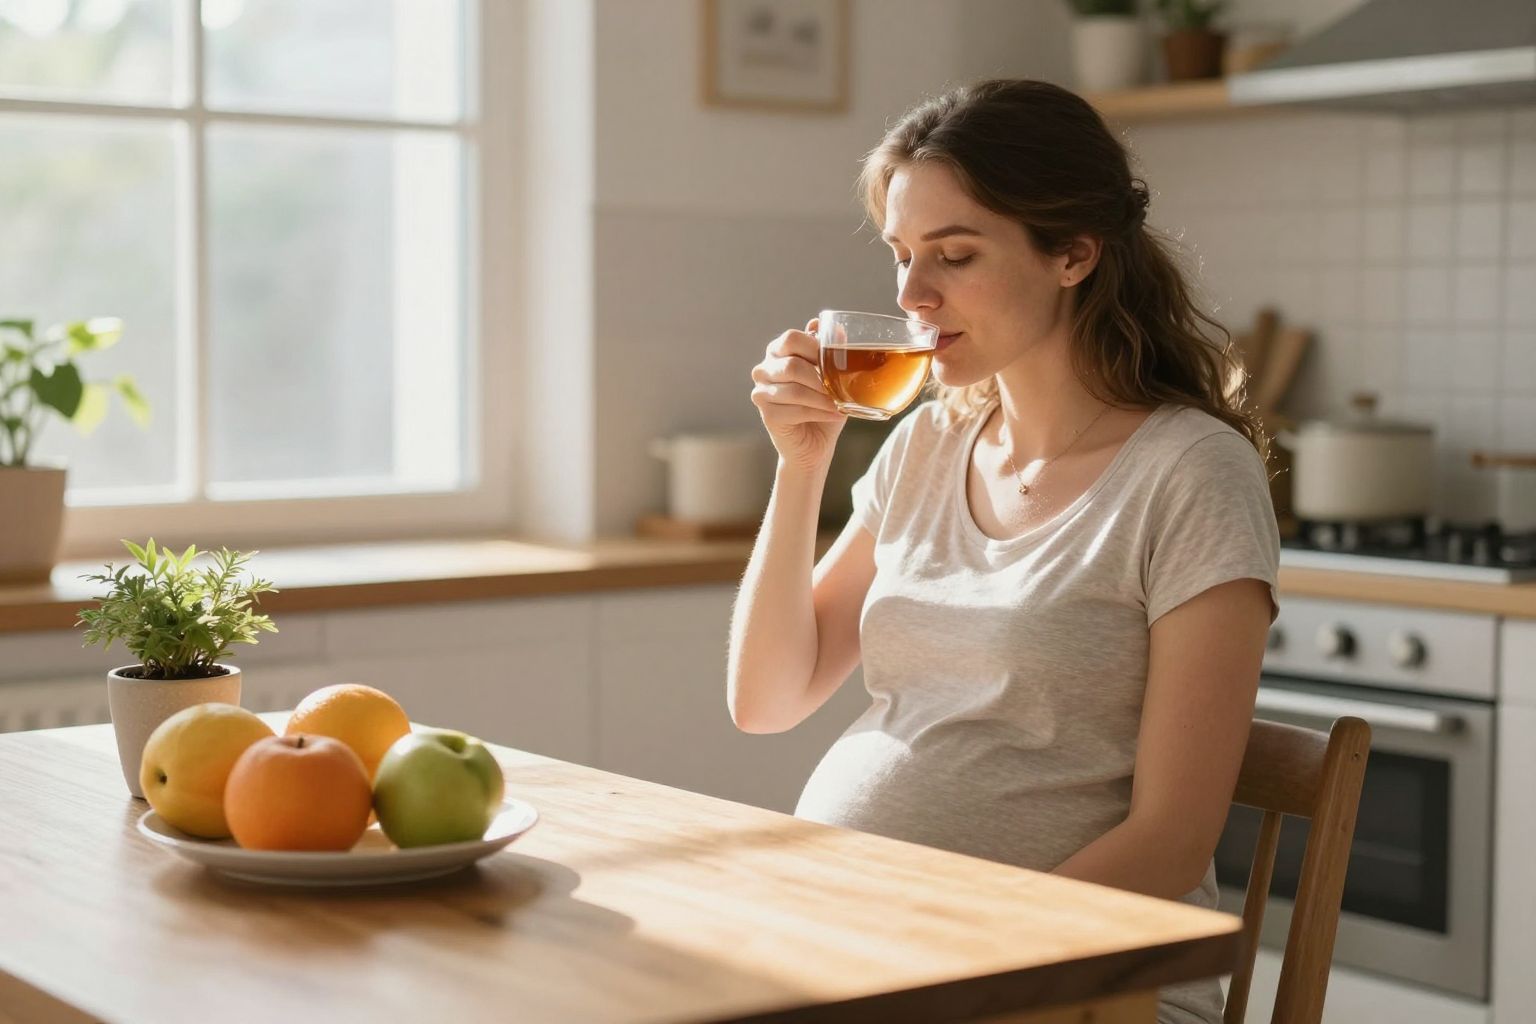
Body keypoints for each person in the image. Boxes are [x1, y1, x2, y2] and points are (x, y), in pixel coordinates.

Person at [727, 79, 1279, 1024]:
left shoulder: (1191, 474)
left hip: (1076, 982)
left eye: (954, 255)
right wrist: (802, 466)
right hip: (874, 956)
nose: (911, 296)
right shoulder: (926, 446)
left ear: (1072, 254)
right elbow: (766, 698)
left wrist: (964, 960)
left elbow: (1171, 842)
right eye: (902, 256)